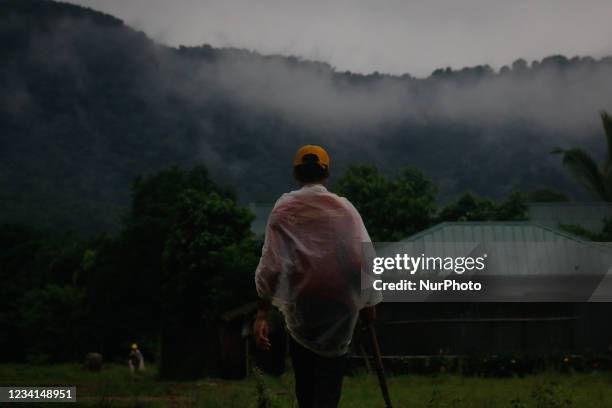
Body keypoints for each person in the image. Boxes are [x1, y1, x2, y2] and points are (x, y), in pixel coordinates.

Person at [254, 145, 381, 408]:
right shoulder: (345, 210)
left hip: (304, 308)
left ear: (296, 173)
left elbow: (272, 265)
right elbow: (364, 258)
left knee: (307, 386)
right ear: (326, 173)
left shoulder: (284, 210)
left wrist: (262, 312)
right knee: (329, 388)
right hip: (340, 309)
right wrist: (369, 303)